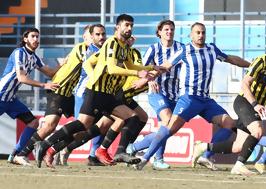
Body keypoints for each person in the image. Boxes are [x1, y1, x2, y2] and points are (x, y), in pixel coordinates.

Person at [34, 14, 164, 167]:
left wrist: (151, 67)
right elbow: (112, 68)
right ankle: (45, 145)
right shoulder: (112, 44)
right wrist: (137, 74)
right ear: (117, 27)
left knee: (133, 117)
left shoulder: (124, 48)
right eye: (126, 25)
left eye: (131, 26)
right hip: (96, 92)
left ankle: (119, 152)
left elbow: (130, 66)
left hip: (108, 94)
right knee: (82, 125)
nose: (129, 28)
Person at [134, 22, 250, 170]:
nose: (201, 35)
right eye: (197, 33)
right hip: (189, 99)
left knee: (230, 124)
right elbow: (165, 67)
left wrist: (250, 65)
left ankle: (204, 155)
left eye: (203, 32)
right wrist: (146, 79)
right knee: (169, 129)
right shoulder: (184, 50)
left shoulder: (212, 49)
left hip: (206, 100)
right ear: (191, 35)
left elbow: (230, 59)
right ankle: (144, 158)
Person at [192, 33, 266, 176]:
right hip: (244, 102)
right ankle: (239, 165)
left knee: (238, 146)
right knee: (258, 131)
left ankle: (203, 147)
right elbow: (245, 84)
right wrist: (255, 104)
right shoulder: (261, 61)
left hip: (253, 106)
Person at [13, 25, 92, 166]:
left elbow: (50, 73)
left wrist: (60, 65)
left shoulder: (92, 50)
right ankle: (21, 154)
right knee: (49, 126)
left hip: (68, 94)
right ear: (84, 37)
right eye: (91, 35)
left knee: (83, 127)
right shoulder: (82, 48)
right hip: (57, 90)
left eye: (99, 35)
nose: (96, 38)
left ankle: (55, 150)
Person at [126, 19, 184, 170]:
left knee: (166, 128)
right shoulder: (153, 49)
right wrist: (148, 79)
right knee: (167, 120)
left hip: (174, 94)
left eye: (171, 29)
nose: (169, 32)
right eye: (166, 29)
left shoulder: (181, 48)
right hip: (156, 92)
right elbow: (142, 69)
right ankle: (157, 159)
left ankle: (135, 147)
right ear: (159, 32)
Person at [2, 28, 60, 165]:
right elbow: (21, 78)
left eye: (37, 37)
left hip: (10, 99)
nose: (36, 39)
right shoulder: (19, 53)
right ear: (25, 39)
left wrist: (63, 64)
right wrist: (43, 85)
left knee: (33, 123)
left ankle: (15, 154)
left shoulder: (34, 57)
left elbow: (50, 73)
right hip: (1, 95)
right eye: (33, 36)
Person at [73, 24, 107, 166]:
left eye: (103, 34)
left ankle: (93, 155)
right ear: (91, 37)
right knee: (80, 129)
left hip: (100, 93)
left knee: (104, 123)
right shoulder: (91, 51)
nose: (101, 37)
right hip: (84, 93)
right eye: (98, 35)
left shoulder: (106, 50)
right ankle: (58, 148)